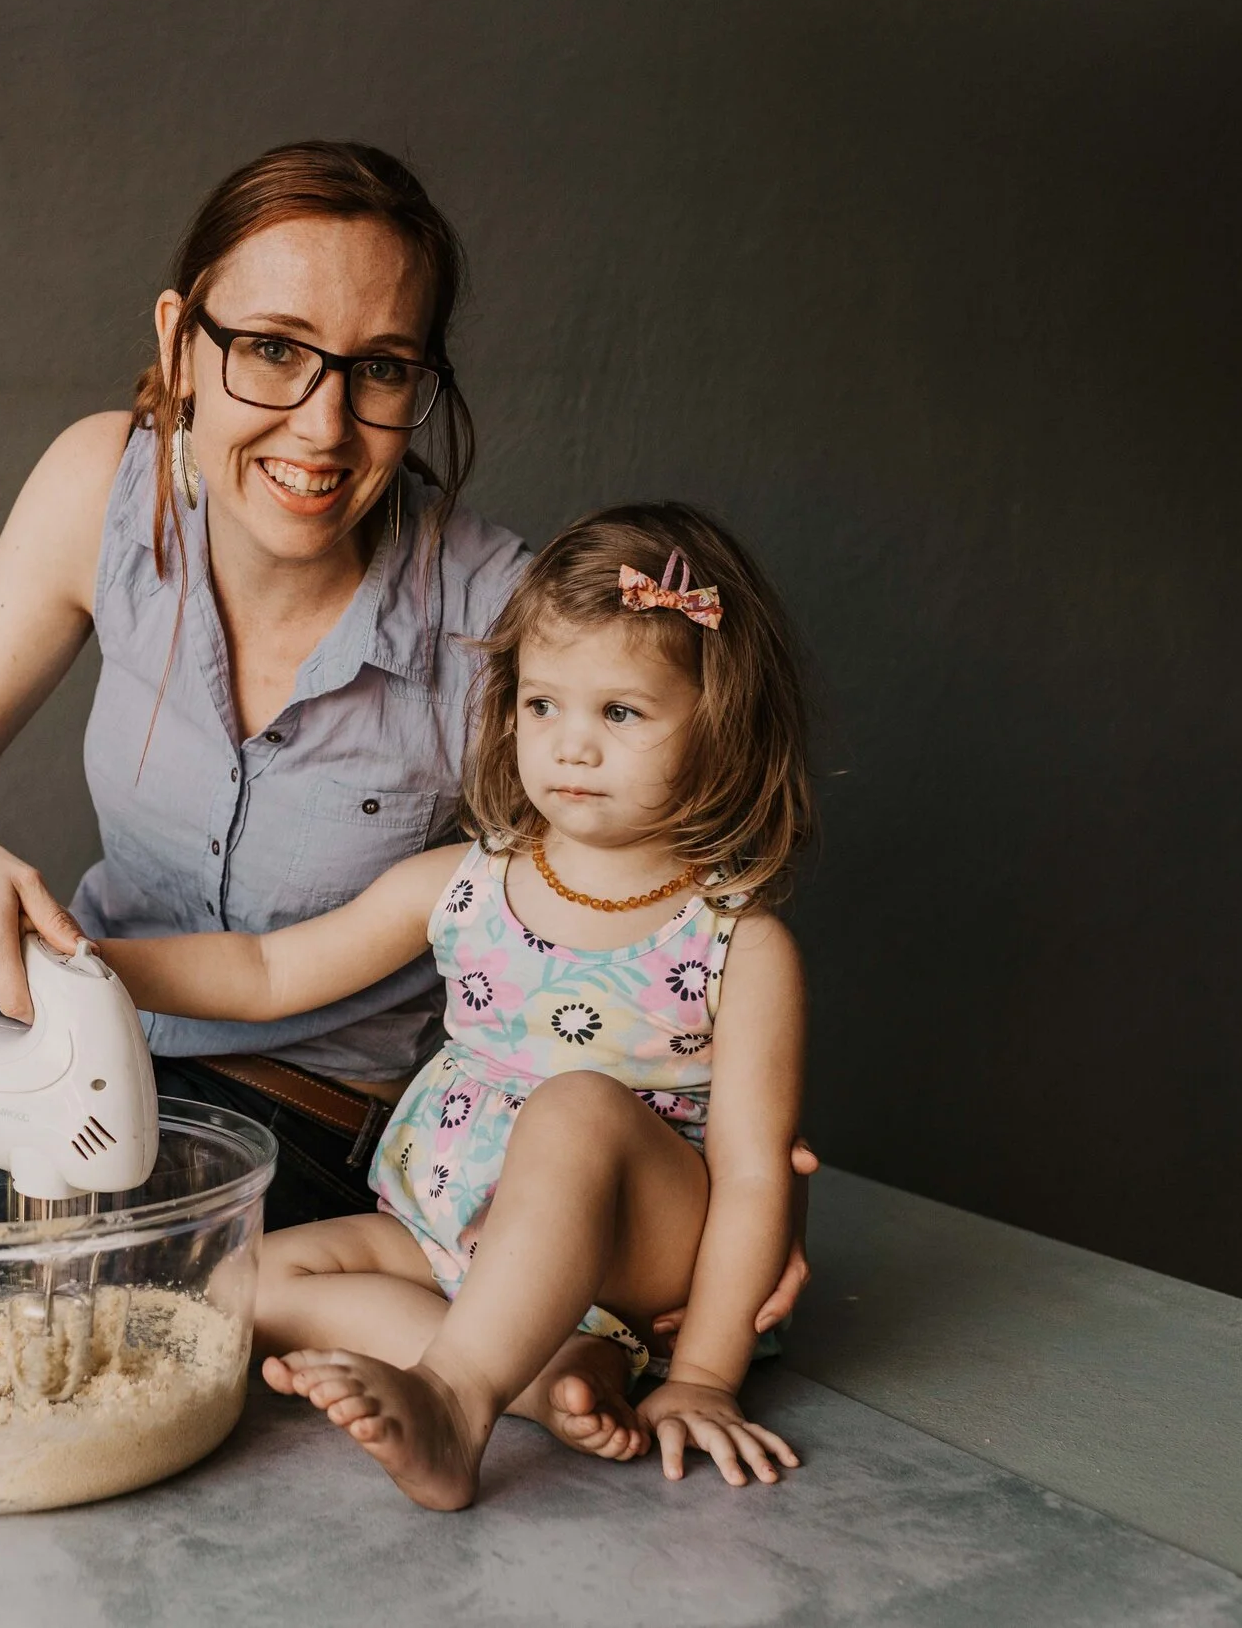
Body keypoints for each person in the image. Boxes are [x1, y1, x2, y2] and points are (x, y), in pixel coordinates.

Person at [0, 141, 811, 1335]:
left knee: (11, 1304)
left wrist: (728, 1192)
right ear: (180, 343)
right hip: (79, 1050)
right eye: (274, 349)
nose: (324, 424)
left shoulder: (502, 618)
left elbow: (628, 901)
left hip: (308, 1130)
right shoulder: (101, 483)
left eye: (379, 368)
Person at [99, 503, 811, 1508]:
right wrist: (90, 964)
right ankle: (544, 1372)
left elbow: (750, 1173)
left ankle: (456, 1398)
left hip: (637, 1248)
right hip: (447, 1225)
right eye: (544, 705)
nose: (572, 746)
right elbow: (264, 971)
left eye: (621, 713)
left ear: (722, 724)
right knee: (235, 1279)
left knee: (575, 1102)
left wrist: (703, 1373)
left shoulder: (735, 940)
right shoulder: (466, 882)